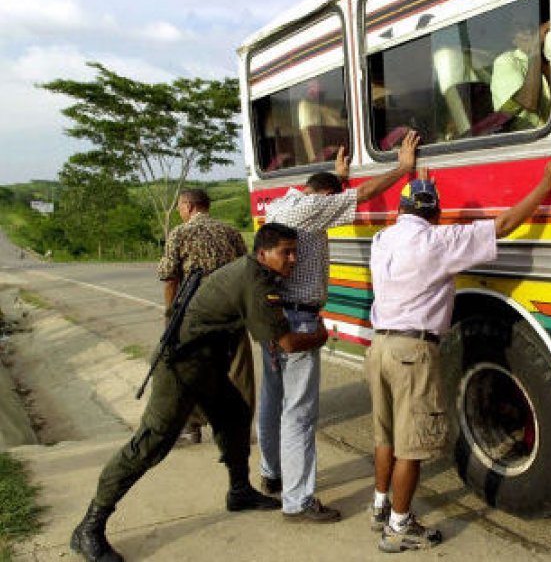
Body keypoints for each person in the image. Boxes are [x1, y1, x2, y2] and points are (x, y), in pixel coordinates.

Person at [70, 223, 329, 562]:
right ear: (263, 252)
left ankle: (239, 491)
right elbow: (287, 343)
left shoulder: (255, 272)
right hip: (180, 366)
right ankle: (89, 527)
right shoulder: (255, 280)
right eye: (286, 252)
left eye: (295, 252)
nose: (293, 259)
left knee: (235, 415)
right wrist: (321, 336)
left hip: (206, 365)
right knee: (151, 443)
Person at [367, 156, 551, 553]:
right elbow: (506, 225)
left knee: (386, 434)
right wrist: (546, 185)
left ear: (402, 210)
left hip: (380, 347)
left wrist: (420, 183)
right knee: (412, 444)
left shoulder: (383, 240)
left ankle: (379, 505)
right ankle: (398, 528)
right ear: (437, 215)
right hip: (413, 352)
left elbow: (416, 214)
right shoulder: (439, 242)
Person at [257, 130, 421, 523]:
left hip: (274, 315)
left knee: (273, 400)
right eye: (336, 199)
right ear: (325, 198)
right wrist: (402, 168)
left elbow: (335, 200)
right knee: (299, 412)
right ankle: (297, 502)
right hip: (298, 320)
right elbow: (361, 197)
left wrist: (340, 178)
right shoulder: (313, 207)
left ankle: (272, 473)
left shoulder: (287, 203)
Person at [156, 188, 254, 445]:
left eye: (179, 207)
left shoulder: (180, 233)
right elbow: (247, 270)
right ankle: (238, 427)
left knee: (193, 368)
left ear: (188, 206)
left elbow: (169, 279)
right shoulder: (230, 232)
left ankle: (193, 426)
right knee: (238, 370)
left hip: (197, 314)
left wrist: (171, 316)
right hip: (233, 311)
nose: (179, 212)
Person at [490, 17, 551, 130]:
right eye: (522, 29)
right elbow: (528, 102)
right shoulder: (506, 61)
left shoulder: (547, 61)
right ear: (513, 40)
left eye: (531, 28)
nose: (529, 32)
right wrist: (535, 48)